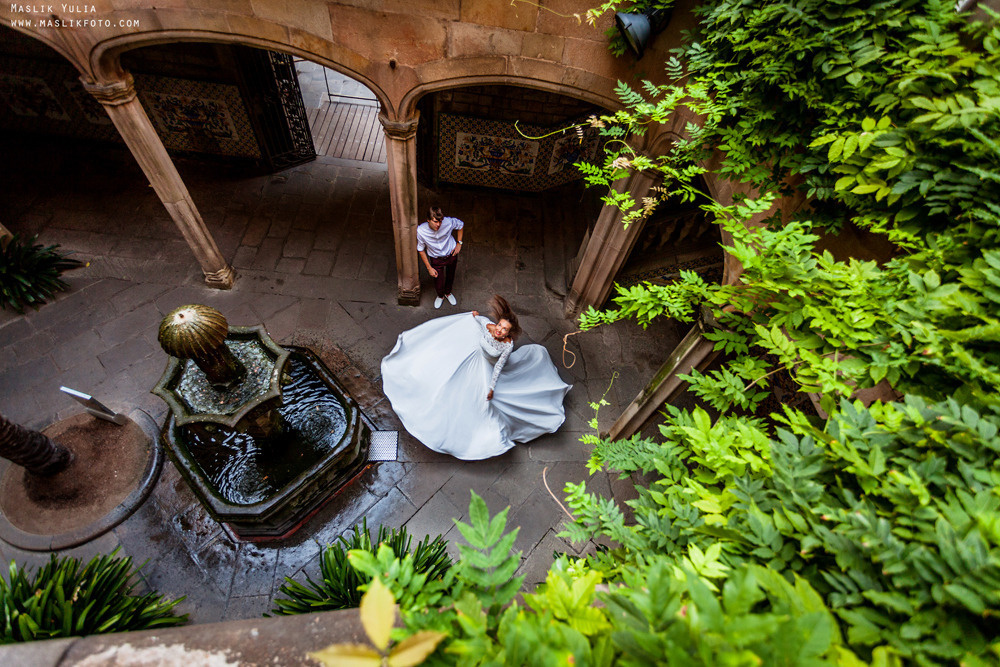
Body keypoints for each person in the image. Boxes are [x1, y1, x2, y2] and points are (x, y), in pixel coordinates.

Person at [381, 295, 572, 460]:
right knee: (444, 374)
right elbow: (477, 320)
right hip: (469, 356)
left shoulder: (507, 346)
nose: (500, 330)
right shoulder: (487, 326)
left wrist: (491, 387)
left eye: (504, 329)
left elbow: (498, 367)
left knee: (480, 401)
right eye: (500, 326)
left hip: (485, 369)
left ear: (509, 332)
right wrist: (471, 316)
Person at [417, 206, 464, 309]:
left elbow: (460, 225)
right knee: (438, 280)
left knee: (451, 275)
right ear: (428, 220)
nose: (438, 224)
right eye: (435, 221)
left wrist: (459, 243)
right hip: (436, 259)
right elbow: (421, 249)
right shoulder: (421, 231)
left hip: (451, 254)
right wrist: (429, 268)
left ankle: (448, 293)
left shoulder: (448, 222)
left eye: (440, 221)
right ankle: (440, 296)